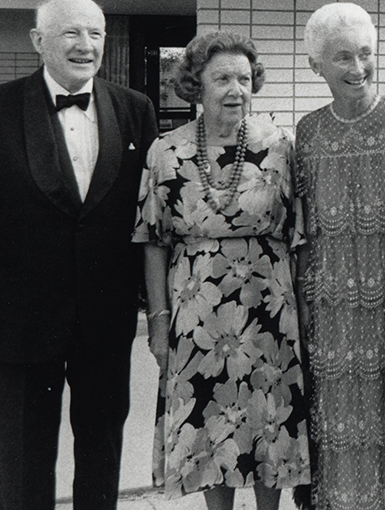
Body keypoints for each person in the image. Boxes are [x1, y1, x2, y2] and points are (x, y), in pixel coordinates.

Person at [0, 0, 159, 510]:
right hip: (18, 319)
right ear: (39, 42)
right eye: (71, 33)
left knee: (103, 451)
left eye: (97, 34)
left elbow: (151, 217)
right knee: (21, 459)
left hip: (105, 319)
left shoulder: (135, 109)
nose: (86, 45)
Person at [134, 31, 310, 510]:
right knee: (210, 419)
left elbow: (299, 235)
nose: (236, 89)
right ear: (197, 84)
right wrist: (157, 320)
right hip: (198, 308)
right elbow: (152, 240)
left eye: (245, 78)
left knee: (270, 413)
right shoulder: (165, 151)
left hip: (270, 303)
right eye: (223, 78)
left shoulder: (280, 145)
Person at [294, 3, 385, 510]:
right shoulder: (306, 135)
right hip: (330, 316)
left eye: (366, 54)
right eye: (342, 57)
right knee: (337, 434)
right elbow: (302, 235)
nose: (357, 68)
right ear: (316, 66)